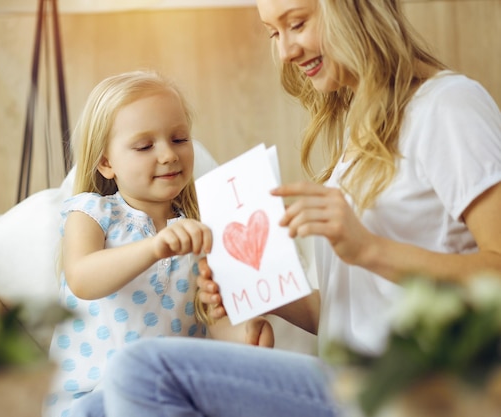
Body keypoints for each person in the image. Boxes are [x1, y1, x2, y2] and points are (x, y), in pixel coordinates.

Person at [98, 0, 501, 416]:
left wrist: (368, 249)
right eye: (275, 32)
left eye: (297, 23)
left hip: (414, 388)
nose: (286, 52)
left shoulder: (448, 106)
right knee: (96, 404)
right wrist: (255, 289)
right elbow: (348, 318)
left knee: (142, 370)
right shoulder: (360, 133)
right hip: (348, 376)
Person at [42, 70, 274, 417]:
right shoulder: (92, 212)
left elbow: (214, 322)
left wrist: (248, 335)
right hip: (93, 397)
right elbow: (82, 277)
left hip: (172, 396)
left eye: (179, 139)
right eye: (144, 146)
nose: (168, 155)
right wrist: (154, 247)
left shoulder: (200, 231)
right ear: (106, 162)